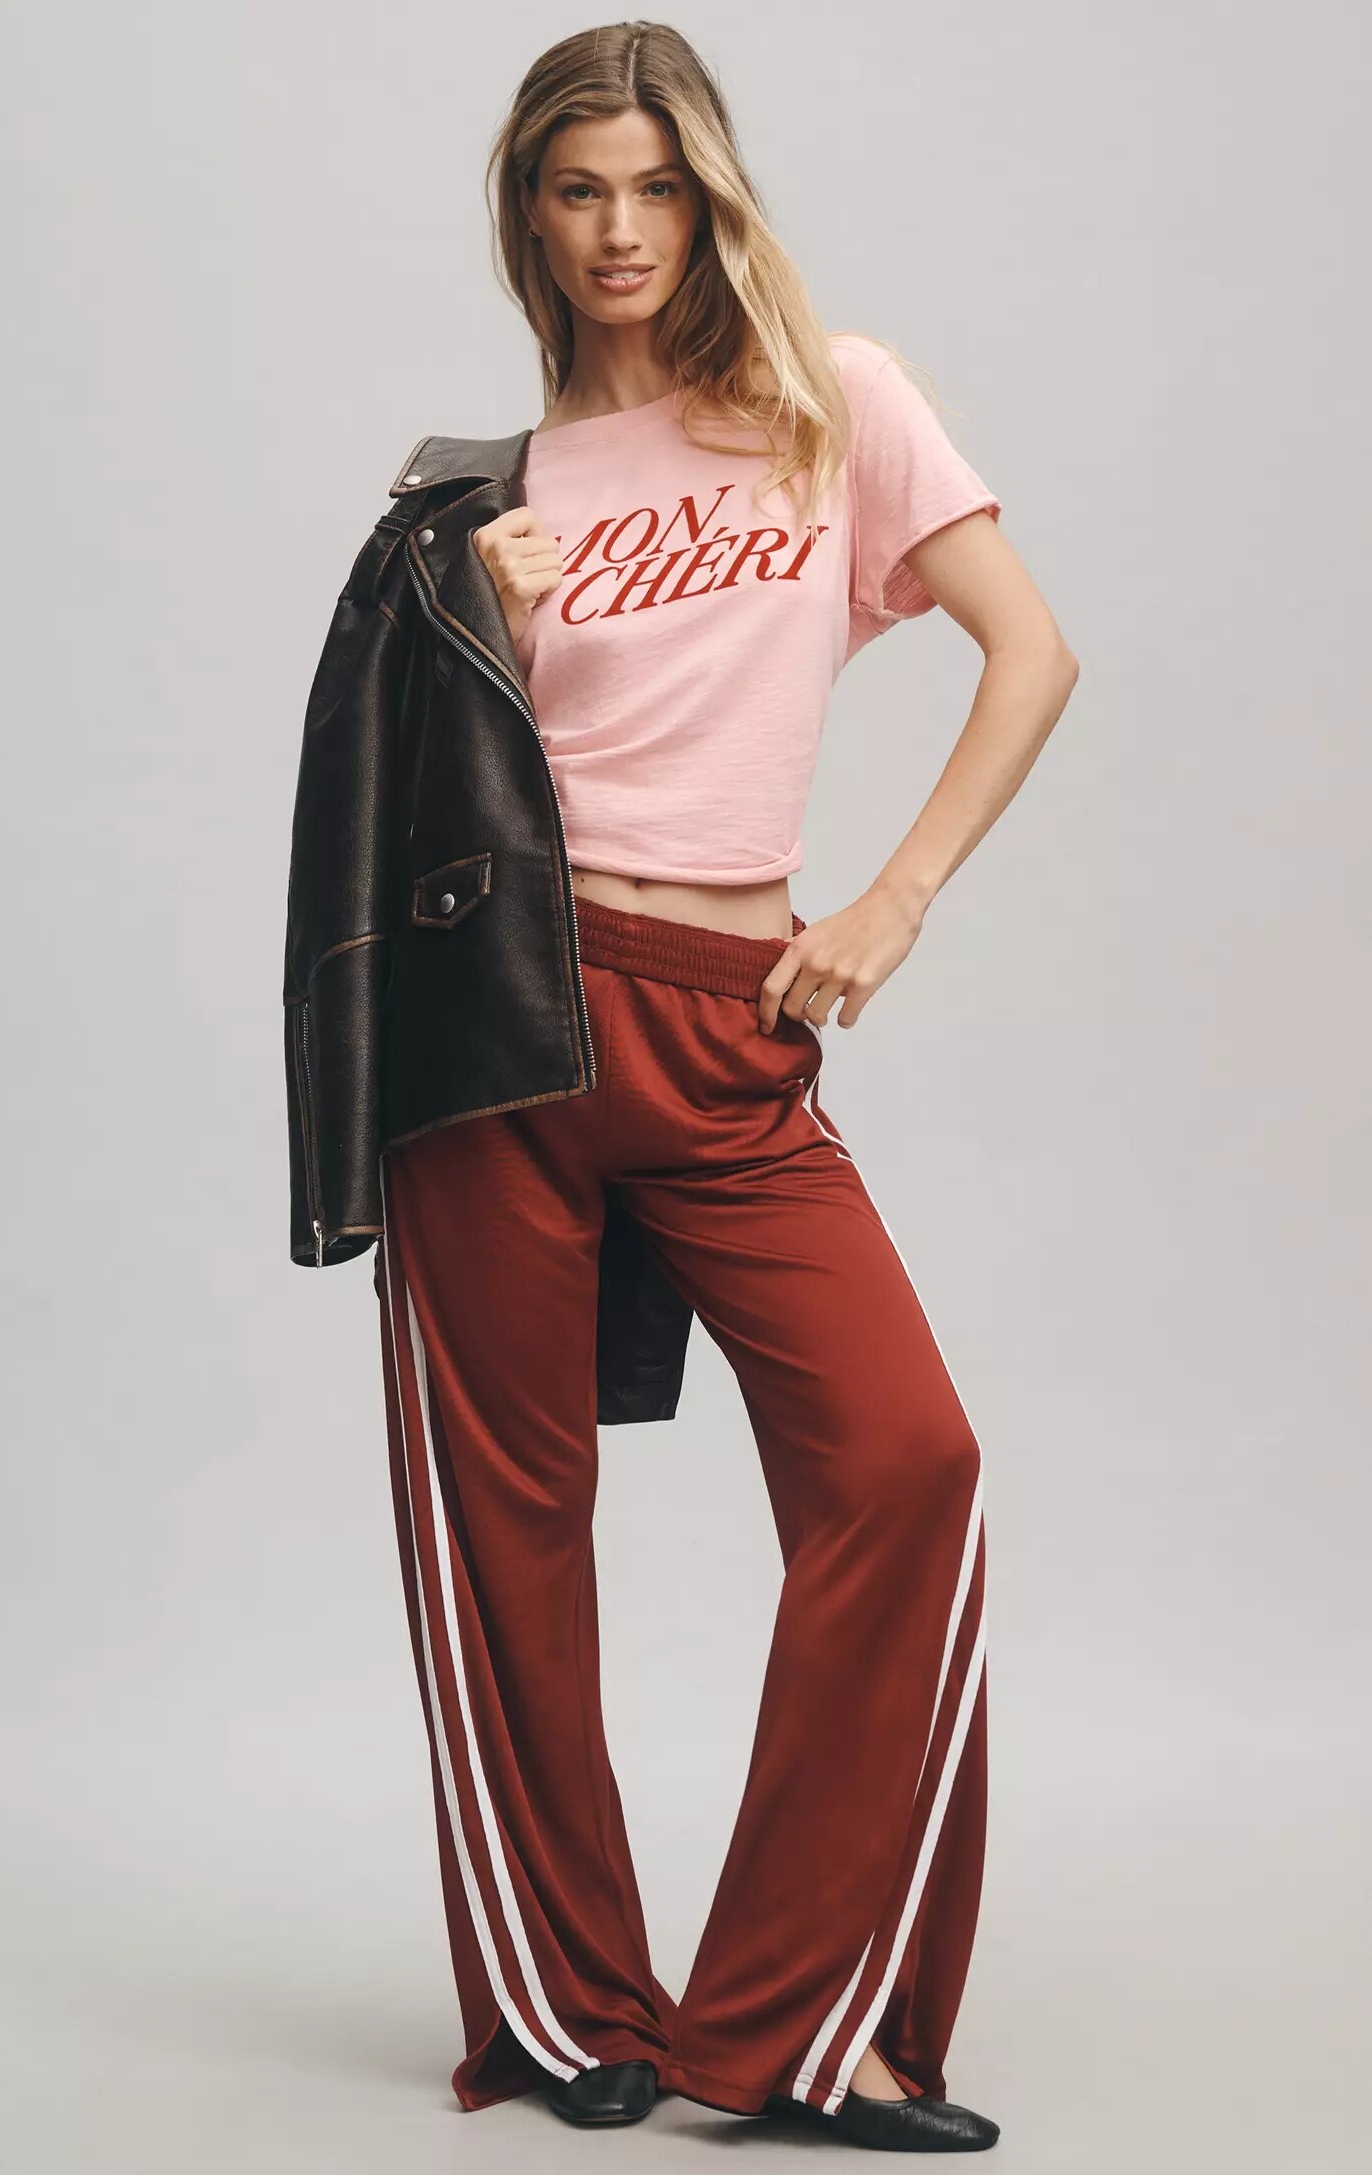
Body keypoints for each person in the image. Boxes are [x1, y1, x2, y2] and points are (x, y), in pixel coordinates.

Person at [374, 20, 1077, 2153]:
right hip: (498, 1029)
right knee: (509, 1518)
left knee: (905, 1459)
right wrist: (468, 623)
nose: (618, 230)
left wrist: (892, 898)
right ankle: (560, 2006)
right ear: (527, 214)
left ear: (711, 198)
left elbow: (1029, 650)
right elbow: (384, 813)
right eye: (575, 190)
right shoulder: (478, 492)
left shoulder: (829, 406)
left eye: (655, 187)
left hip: (722, 1015)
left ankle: (791, 2023)